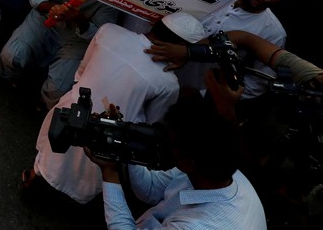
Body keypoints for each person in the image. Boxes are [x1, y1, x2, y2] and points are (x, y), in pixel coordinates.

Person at [26, 12, 206, 205]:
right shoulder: (168, 84)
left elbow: (81, 72)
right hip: (108, 140)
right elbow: (151, 124)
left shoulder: (109, 31)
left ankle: (33, 181)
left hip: (70, 113)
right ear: (179, 50)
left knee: (49, 160)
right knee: (81, 180)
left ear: (156, 24)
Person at [95, 94, 265, 229]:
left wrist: (110, 172)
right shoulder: (217, 166)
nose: (163, 144)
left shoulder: (197, 226)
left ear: (189, 163)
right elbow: (152, 189)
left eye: (169, 142)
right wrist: (124, 141)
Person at [0, 0, 118, 109]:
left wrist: (79, 19)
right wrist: (52, 7)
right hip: (43, 20)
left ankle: (44, 103)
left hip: (77, 38)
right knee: (12, 55)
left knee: (58, 89)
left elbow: (100, 34)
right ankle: (9, 77)